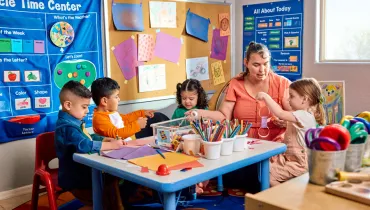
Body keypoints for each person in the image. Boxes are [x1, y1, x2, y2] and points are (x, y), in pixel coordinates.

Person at [185, 42, 292, 193]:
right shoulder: (236, 83)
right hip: (243, 145)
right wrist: (199, 113)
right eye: (256, 64)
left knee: (264, 175)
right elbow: (223, 116)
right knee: (212, 148)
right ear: (246, 63)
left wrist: (286, 121)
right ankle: (195, 185)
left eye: (266, 64)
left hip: (273, 145)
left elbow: (298, 116)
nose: (262, 70)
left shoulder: (282, 83)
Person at [55, 81, 125, 209]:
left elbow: (86, 137)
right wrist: (113, 146)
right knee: (111, 183)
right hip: (76, 179)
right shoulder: (67, 126)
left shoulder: (74, 121)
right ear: (68, 105)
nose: (87, 111)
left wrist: (103, 140)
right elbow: (84, 145)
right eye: (84, 107)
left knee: (113, 180)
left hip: (83, 172)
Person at [256, 78, 325, 186]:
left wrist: (266, 97)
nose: (288, 100)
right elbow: (294, 125)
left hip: (299, 162)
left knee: (267, 175)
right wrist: (285, 123)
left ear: (304, 99)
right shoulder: (302, 115)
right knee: (265, 168)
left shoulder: (304, 115)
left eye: (291, 96)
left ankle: (283, 198)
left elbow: (281, 113)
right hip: (290, 157)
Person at [91, 77, 158, 140]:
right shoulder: (99, 119)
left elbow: (126, 119)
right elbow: (116, 134)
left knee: (158, 116)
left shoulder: (110, 113)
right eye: (116, 97)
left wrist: (142, 113)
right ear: (104, 101)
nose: (119, 99)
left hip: (127, 143)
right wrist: (137, 125)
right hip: (118, 149)